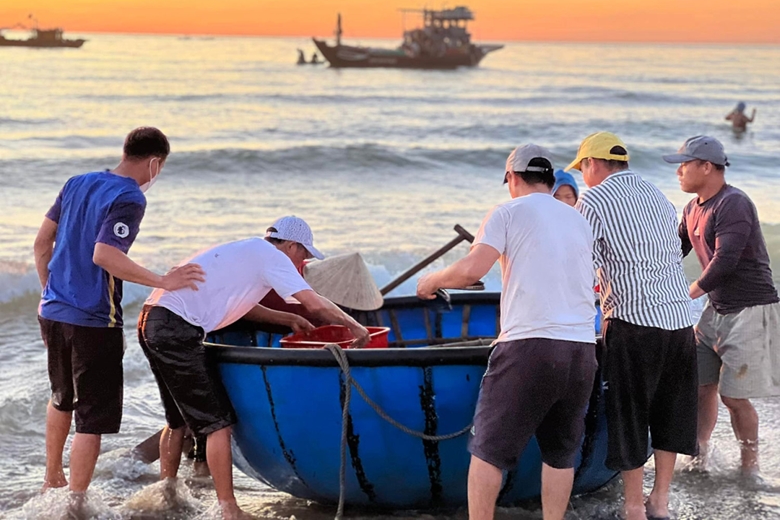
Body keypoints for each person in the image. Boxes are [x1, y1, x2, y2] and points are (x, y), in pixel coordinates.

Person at [137, 216, 370, 520]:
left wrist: (286, 320)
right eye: (305, 253)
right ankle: (229, 510)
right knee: (218, 423)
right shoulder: (274, 257)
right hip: (177, 327)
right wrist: (356, 327)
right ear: (291, 245)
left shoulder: (246, 250)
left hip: (151, 319)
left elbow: (240, 302)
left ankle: (167, 493)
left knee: (177, 417)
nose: (305, 261)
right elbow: (314, 304)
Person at [417, 145, 597, 520]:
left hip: (529, 345)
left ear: (512, 178)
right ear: (550, 179)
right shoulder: (577, 219)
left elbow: (472, 271)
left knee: (489, 451)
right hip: (581, 350)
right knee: (561, 453)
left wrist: (431, 280)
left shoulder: (507, 211)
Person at [32, 127, 205, 500]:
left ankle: (52, 479)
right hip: (93, 319)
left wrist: (49, 290)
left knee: (61, 397)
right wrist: (164, 280)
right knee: (91, 417)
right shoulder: (130, 197)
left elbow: (41, 243)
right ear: (155, 164)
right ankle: (76, 502)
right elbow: (105, 256)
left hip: (53, 311)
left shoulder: (76, 182)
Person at [565, 132, 697, 520]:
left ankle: (634, 506)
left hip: (634, 322)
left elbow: (578, 261)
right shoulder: (656, 193)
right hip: (679, 321)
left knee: (630, 414)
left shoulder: (593, 199)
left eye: (583, 168)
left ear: (592, 164)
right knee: (670, 412)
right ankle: (660, 501)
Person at [663, 135, 780, 475]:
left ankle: (750, 468)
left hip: (749, 309)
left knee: (734, 397)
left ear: (707, 167)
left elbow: (725, 260)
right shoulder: (691, 208)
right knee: (700, 386)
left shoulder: (734, 203)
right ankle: (699, 455)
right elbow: (672, 253)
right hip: (717, 309)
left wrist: (689, 292)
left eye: (684, 165)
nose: (679, 172)